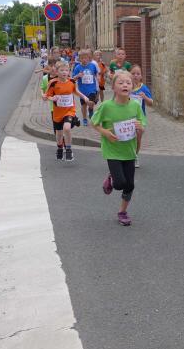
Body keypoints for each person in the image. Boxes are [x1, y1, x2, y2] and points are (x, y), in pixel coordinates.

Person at [91, 70, 146, 226]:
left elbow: (142, 125)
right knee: (119, 183)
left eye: (128, 83)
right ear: (114, 87)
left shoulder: (135, 106)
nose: (125, 85)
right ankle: (112, 178)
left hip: (129, 150)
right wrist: (105, 133)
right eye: (121, 83)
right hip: (112, 150)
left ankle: (122, 212)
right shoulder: (106, 106)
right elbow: (94, 123)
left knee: (130, 185)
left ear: (132, 87)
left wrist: (140, 127)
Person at [45, 61, 88, 162]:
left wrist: (84, 97)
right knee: (59, 133)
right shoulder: (53, 83)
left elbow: (75, 91)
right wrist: (52, 98)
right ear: (57, 72)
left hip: (69, 110)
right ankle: (60, 148)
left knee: (67, 128)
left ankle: (68, 150)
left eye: (66, 70)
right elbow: (47, 96)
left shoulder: (71, 81)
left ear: (69, 71)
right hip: (58, 112)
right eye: (62, 70)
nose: (64, 72)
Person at [129, 64, 153, 168]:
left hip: (140, 118)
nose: (135, 75)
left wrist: (145, 97)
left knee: (138, 137)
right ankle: (127, 156)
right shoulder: (127, 86)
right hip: (127, 117)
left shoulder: (144, 88)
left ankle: (135, 156)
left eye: (138, 74)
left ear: (141, 76)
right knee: (129, 138)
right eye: (133, 73)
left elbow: (151, 102)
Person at [71, 49, 99, 126]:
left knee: (91, 103)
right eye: (82, 58)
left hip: (92, 89)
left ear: (89, 58)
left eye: (86, 58)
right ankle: (84, 119)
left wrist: (98, 78)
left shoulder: (92, 66)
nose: (84, 59)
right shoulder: (77, 67)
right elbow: (73, 79)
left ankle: (90, 109)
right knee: (83, 105)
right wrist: (78, 76)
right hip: (82, 91)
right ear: (79, 59)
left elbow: (96, 74)